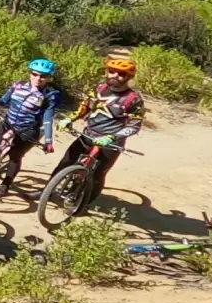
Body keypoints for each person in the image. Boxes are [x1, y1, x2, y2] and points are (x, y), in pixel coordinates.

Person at [52, 56, 146, 209]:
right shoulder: (99, 89)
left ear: (129, 77)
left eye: (121, 74)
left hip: (110, 142)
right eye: (112, 71)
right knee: (65, 163)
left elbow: (135, 125)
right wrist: (69, 119)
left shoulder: (133, 99)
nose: (115, 76)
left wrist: (112, 137)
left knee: (97, 175)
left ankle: (84, 204)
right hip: (88, 135)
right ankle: (47, 192)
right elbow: (85, 108)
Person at [0, 58, 62, 195]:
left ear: (49, 78)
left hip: (27, 130)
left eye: (43, 76)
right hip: (7, 122)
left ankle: (5, 185)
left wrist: (49, 141)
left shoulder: (49, 96)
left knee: (15, 156)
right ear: (30, 73)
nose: (38, 78)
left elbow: (48, 120)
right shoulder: (18, 85)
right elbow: (4, 100)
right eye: (35, 74)